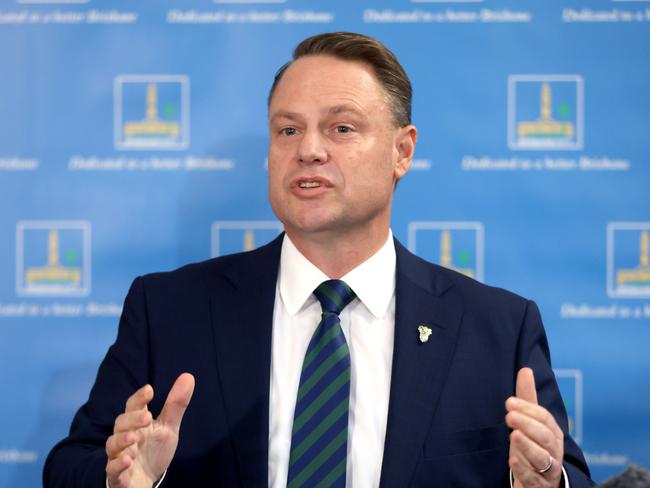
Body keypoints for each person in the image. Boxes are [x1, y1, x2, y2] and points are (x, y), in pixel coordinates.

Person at [44, 32, 593, 487]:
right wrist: (123, 480)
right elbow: (70, 467)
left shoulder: (497, 327)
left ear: (402, 151)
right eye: (288, 129)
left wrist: (547, 480)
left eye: (341, 128)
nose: (308, 149)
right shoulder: (169, 309)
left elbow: (565, 474)